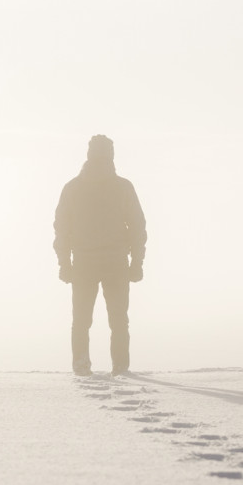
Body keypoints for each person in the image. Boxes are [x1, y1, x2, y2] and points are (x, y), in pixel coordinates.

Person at [53, 135, 147, 376]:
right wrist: (136, 263)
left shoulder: (74, 187)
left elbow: (61, 229)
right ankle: (120, 368)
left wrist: (64, 264)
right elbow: (137, 226)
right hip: (112, 263)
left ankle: (83, 367)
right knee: (117, 320)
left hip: (86, 263)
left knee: (83, 321)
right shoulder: (122, 187)